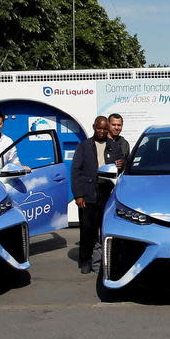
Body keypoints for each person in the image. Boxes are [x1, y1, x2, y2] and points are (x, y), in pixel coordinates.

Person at [71, 116, 123, 274]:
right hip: (88, 193)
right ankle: (85, 260)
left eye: (104, 129)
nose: (101, 131)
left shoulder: (114, 146)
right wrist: (78, 195)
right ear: (94, 127)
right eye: (99, 128)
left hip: (106, 193)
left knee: (106, 229)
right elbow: (76, 171)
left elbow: (120, 170)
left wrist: (122, 164)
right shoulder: (84, 146)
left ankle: (104, 262)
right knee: (87, 229)